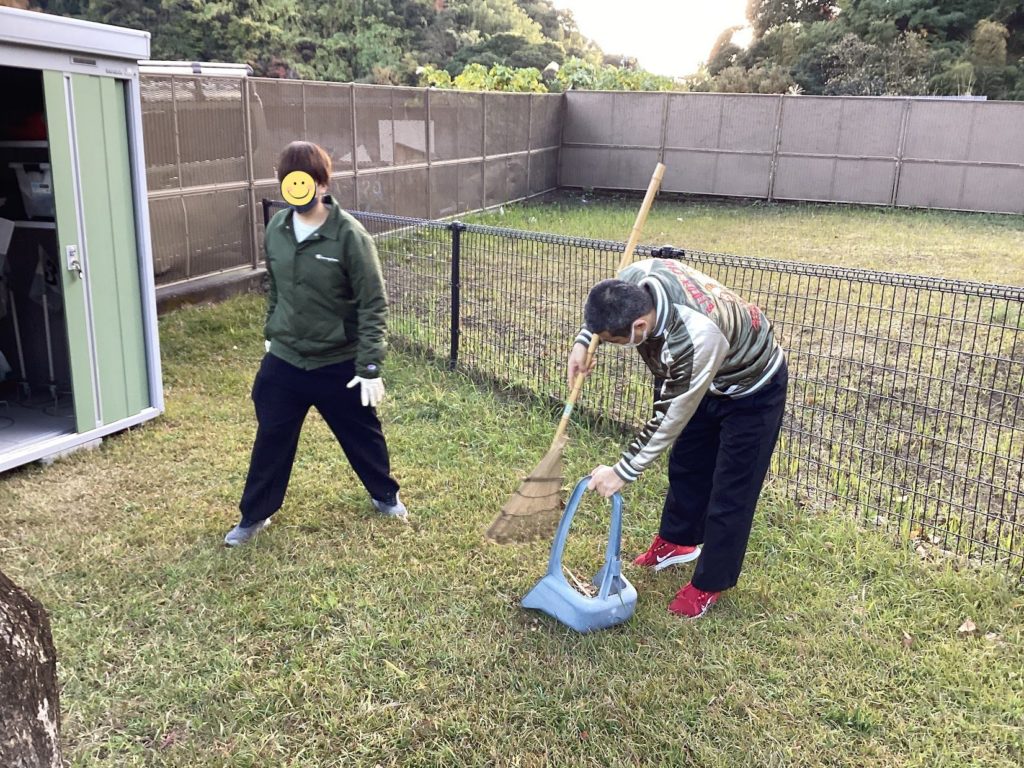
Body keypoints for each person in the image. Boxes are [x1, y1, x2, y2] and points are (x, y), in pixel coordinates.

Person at [567, 257, 787, 618]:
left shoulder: (696, 335)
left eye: (611, 341)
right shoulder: (633, 279)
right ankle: (679, 542)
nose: (606, 344)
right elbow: (603, 308)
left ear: (640, 326)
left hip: (751, 387)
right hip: (704, 376)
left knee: (732, 487)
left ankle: (710, 583)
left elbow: (669, 416)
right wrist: (583, 341)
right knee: (688, 462)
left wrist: (622, 471)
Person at [225, 141, 406, 547]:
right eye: (289, 181)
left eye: (307, 180)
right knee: (271, 437)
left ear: (323, 184)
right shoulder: (277, 228)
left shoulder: (350, 236)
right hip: (286, 359)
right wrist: (272, 333)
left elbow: (373, 303)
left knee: (362, 434)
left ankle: (385, 495)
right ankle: (254, 515)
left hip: (337, 361)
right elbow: (276, 287)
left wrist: (369, 366)